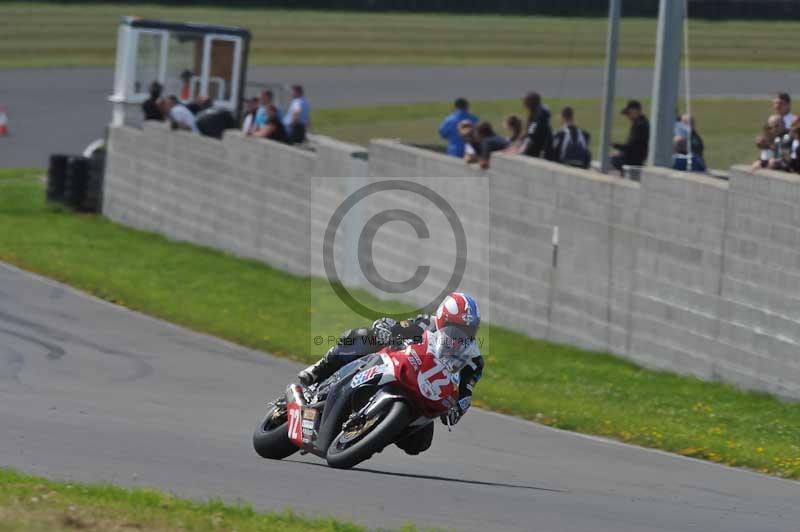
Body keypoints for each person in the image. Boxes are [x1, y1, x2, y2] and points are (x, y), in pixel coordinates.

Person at [297, 292, 484, 455]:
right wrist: (386, 329)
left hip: (426, 390)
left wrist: (457, 409)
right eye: (456, 327)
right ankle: (318, 370)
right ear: (443, 319)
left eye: (467, 330)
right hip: (400, 366)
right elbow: (397, 327)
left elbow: (466, 390)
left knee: (419, 445)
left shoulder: (473, 359)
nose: (460, 334)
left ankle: (373, 435)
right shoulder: (426, 324)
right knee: (362, 337)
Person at [611, 100, 650, 175]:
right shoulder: (641, 123)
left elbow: (632, 146)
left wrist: (615, 145)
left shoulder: (640, 125)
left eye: (628, 114)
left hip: (635, 159)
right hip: (636, 156)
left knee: (613, 160)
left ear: (635, 111)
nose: (627, 117)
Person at [517, 92, 552, 158]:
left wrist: (521, 148)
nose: (523, 104)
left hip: (540, 149)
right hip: (539, 146)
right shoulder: (538, 111)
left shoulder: (539, 113)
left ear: (530, 103)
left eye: (525, 102)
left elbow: (531, 134)